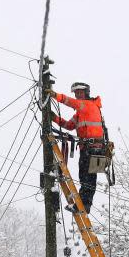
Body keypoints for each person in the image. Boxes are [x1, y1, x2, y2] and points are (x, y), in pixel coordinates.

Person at [46, 82, 106, 213]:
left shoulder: (88, 105)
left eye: (80, 92)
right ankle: (84, 205)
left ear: (86, 93)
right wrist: (54, 118)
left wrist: (55, 95)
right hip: (91, 149)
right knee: (86, 177)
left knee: (88, 178)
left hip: (93, 148)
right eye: (76, 93)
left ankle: (84, 205)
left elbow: (70, 102)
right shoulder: (80, 113)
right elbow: (68, 125)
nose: (78, 95)